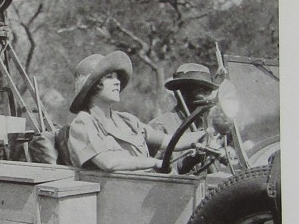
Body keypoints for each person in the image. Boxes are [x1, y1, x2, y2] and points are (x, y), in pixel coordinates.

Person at [66, 52, 204, 171]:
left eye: (116, 77)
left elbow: (170, 141)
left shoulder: (127, 120)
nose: (117, 82)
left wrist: (206, 135)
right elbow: (109, 162)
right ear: (93, 86)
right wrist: (153, 162)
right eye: (109, 77)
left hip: (145, 187)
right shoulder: (83, 123)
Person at [149, 62, 218, 136]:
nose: (207, 96)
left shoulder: (214, 124)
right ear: (181, 92)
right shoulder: (160, 126)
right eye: (201, 90)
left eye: (209, 90)